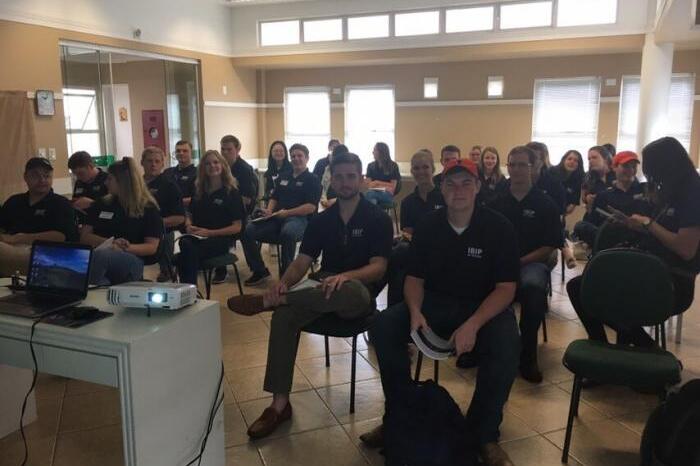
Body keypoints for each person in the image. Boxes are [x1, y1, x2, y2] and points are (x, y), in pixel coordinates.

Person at [361, 157, 520, 466]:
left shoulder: (499, 228)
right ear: (441, 188)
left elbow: (506, 289)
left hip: (483, 306)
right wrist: (416, 312)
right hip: (434, 302)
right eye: (450, 183)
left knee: (506, 344)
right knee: (384, 326)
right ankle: (400, 415)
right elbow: (414, 278)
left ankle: (484, 434)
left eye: (465, 183)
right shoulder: (428, 226)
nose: (458, 190)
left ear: (477, 187)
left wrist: (473, 324)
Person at [227, 152, 393, 439]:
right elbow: (303, 261)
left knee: (346, 289)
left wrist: (346, 277)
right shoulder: (323, 220)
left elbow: (379, 267)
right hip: (320, 288)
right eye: (339, 177)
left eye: (351, 176)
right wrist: (284, 283)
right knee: (284, 316)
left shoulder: (377, 218)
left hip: (357, 292)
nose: (344, 182)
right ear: (332, 179)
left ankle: (270, 301)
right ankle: (279, 405)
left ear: (361, 179)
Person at [567, 137, 700, 349]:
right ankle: (618, 349)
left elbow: (686, 249)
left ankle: (643, 350)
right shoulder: (677, 191)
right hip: (651, 270)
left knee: (583, 289)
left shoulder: (693, 192)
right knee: (582, 286)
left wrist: (648, 224)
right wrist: (633, 225)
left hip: (670, 282)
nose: (653, 179)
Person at [489, 146, 563, 383]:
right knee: (474, 285)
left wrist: (520, 261)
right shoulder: (495, 202)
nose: (517, 169)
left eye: (523, 165)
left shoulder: (545, 203)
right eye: (513, 165)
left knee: (533, 292)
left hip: (530, 264)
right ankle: (480, 349)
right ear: (507, 167)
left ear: (533, 168)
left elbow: (549, 246)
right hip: (498, 266)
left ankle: (527, 355)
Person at [241, 143, 321, 284]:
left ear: (307, 158)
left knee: (288, 232)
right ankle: (259, 270)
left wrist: (287, 213)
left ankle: (287, 277)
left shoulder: (313, 180)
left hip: (300, 220)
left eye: (299, 156)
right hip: (276, 217)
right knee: (248, 230)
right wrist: (269, 211)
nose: (296, 159)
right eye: (293, 156)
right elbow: (274, 197)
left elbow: (310, 207)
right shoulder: (284, 176)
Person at [81, 157, 163, 285]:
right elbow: (84, 236)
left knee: (102, 257)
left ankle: (90, 289)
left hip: (132, 258)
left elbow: (151, 247)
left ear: (123, 182)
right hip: (100, 254)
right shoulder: (101, 204)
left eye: (110, 179)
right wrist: (111, 243)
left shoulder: (147, 208)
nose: (105, 183)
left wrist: (124, 248)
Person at [177, 150, 245, 285]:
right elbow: (189, 214)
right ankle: (189, 291)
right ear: (203, 168)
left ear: (223, 165)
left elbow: (237, 227)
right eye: (208, 164)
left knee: (186, 254)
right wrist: (188, 225)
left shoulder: (232, 192)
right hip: (197, 236)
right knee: (184, 244)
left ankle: (188, 291)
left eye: (216, 162)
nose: (212, 166)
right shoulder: (199, 190)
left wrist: (210, 233)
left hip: (220, 239)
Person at [0, 158, 79, 276]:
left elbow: (61, 236)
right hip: (11, 249)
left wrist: (18, 238)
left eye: (47, 176)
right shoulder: (14, 201)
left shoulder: (60, 203)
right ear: (26, 177)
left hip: (45, 254)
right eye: (35, 176)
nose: (42, 180)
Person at [387, 150, 445, 306]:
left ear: (433, 169)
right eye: (416, 168)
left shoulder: (445, 197)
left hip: (443, 251)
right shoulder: (407, 202)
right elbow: (408, 233)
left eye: (425, 167)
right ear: (412, 171)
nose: (421, 172)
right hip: (416, 251)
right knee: (398, 264)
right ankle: (393, 314)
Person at [572, 151, 648, 248]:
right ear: (614, 167)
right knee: (581, 226)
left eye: (633, 167)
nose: (630, 170)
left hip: (636, 237)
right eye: (626, 166)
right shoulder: (604, 195)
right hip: (609, 238)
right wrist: (591, 209)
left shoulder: (645, 191)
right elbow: (592, 223)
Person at [141, 146, 186, 282]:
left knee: (165, 235)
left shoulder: (169, 186)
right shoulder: (135, 185)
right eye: (149, 161)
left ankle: (166, 269)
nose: (153, 165)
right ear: (142, 163)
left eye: (157, 161)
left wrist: (154, 224)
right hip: (136, 229)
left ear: (162, 164)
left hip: (163, 229)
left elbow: (179, 218)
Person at [218, 134, 258, 283]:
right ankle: (216, 263)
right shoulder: (219, 167)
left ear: (237, 149)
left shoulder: (244, 170)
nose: (225, 153)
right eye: (223, 149)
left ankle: (258, 269)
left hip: (242, 212)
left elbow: (248, 199)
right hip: (223, 210)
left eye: (229, 149)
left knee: (241, 230)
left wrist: (226, 202)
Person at [550, 150, 585, 268]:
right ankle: (565, 250)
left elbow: (571, 207)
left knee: (557, 225)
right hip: (546, 211)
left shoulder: (578, 179)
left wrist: (559, 213)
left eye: (576, 161)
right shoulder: (552, 173)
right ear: (564, 160)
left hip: (560, 215)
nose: (572, 162)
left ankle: (564, 248)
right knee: (558, 226)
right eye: (569, 159)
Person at [526, 141, 566, 215]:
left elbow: (559, 211)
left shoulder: (554, 184)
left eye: (534, 158)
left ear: (542, 161)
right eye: (527, 158)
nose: (529, 162)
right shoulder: (513, 182)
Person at [68, 151, 109, 215]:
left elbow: (114, 210)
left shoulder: (107, 180)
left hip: (102, 222)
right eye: (75, 174)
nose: (78, 177)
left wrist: (93, 204)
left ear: (90, 166)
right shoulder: (79, 182)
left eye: (80, 173)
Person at [364, 142, 401, 206]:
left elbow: (393, 186)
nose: (372, 152)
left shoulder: (393, 166)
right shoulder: (370, 166)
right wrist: (386, 186)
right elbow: (369, 185)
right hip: (374, 192)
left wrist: (377, 182)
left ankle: (372, 214)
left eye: (375, 150)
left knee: (369, 195)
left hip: (387, 195)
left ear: (382, 152)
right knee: (372, 198)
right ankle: (377, 215)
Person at [163, 140, 197, 208]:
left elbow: (196, 198)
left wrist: (173, 203)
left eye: (185, 151)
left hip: (189, 213)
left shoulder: (198, 173)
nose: (181, 153)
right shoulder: (167, 172)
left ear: (191, 153)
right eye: (178, 151)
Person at [319, 144, 347, 210]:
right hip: (326, 203)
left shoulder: (349, 171)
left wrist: (336, 201)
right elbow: (322, 187)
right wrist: (324, 200)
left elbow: (353, 193)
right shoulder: (328, 169)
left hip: (343, 203)